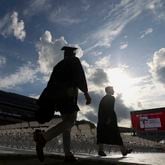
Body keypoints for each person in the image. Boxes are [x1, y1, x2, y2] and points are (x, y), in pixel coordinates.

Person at [33, 46, 91, 162]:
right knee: (70, 121)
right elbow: (80, 76)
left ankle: (68, 155)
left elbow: (50, 84)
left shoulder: (58, 65)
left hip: (57, 97)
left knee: (66, 126)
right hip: (68, 95)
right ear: (73, 54)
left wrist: (50, 100)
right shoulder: (74, 61)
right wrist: (86, 92)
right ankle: (43, 138)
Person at [97, 86, 132, 156]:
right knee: (116, 134)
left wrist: (103, 120)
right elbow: (110, 109)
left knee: (102, 134)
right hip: (109, 119)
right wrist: (109, 119)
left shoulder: (103, 98)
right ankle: (123, 151)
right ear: (109, 91)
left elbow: (101, 110)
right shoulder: (111, 98)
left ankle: (100, 150)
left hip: (102, 120)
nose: (114, 91)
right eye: (112, 90)